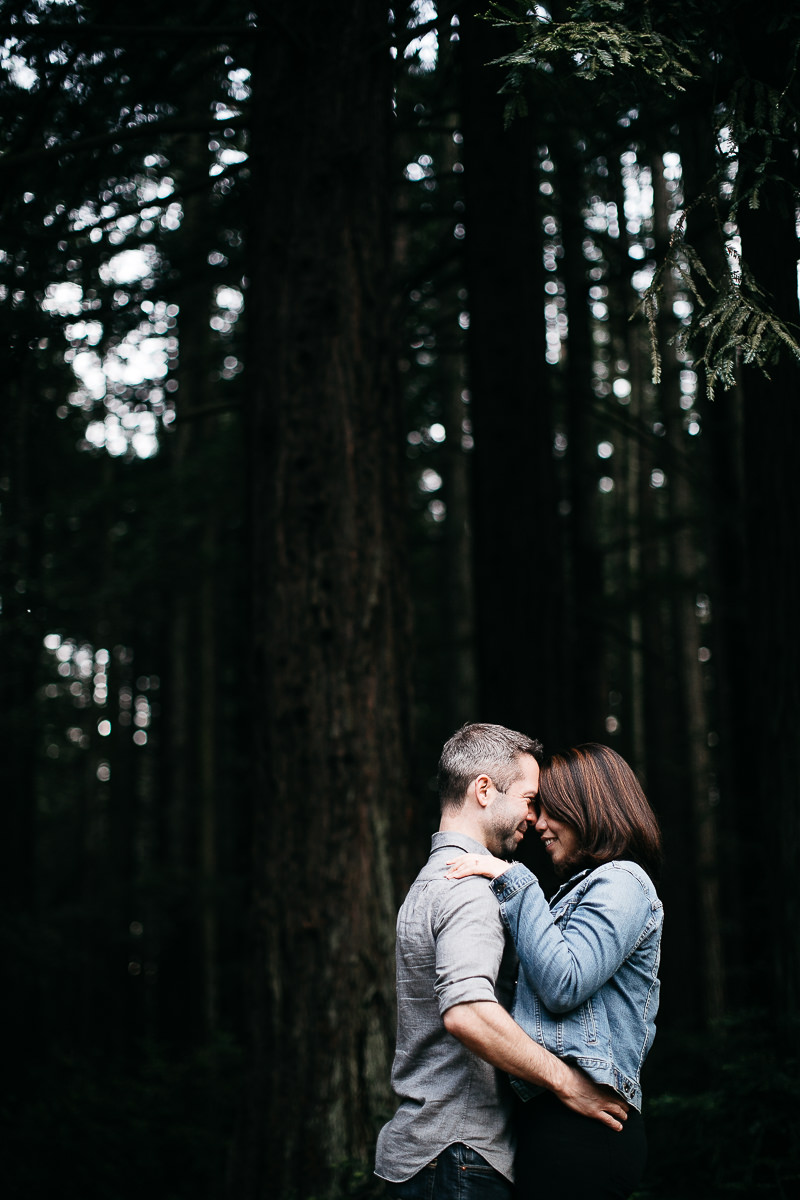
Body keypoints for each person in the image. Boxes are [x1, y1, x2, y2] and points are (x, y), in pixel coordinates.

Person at [374, 724, 629, 1200]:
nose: (533, 818)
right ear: (484, 790)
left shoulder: (428, 882)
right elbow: (467, 1012)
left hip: (431, 1153)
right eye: (530, 799)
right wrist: (566, 1082)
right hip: (459, 1156)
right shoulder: (470, 889)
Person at [445, 742, 664, 1200]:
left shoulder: (625, 881)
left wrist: (512, 877)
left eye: (552, 811)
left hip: (586, 1128)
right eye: (537, 809)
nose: (538, 824)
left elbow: (565, 983)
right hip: (554, 1117)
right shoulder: (578, 891)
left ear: (590, 807)